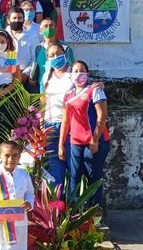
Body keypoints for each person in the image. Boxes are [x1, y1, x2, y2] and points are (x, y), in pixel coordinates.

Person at [59, 61, 110, 207]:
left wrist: (94, 140)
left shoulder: (95, 90)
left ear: (87, 74)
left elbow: (102, 116)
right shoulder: (68, 95)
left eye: (82, 71)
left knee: (94, 177)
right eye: (75, 71)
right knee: (75, 177)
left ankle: (96, 213)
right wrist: (61, 144)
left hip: (95, 141)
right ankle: (76, 213)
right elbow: (65, 121)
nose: (78, 74)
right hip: (75, 141)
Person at [42, 43, 73, 189]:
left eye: (58, 53)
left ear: (64, 53)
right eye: (51, 55)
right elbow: (43, 100)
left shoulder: (73, 74)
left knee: (72, 164)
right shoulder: (46, 76)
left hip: (70, 125)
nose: (55, 57)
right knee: (54, 165)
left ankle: (74, 204)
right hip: (50, 125)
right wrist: (41, 124)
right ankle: (56, 206)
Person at [33, 18, 74, 92]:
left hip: (63, 87)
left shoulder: (65, 48)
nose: (48, 28)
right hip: (43, 87)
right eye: (45, 26)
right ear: (40, 31)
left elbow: (72, 67)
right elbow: (36, 66)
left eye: (51, 26)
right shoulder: (38, 48)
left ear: (56, 29)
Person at [6, 7, 40, 85]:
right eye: (14, 18)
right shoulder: (3, 35)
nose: (17, 20)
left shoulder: (32, 36)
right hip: (6, 76)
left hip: (25, 76)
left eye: (20, 18)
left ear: (23, 20)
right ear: (8, 20)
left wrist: (25, 74)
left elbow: (35, 58)